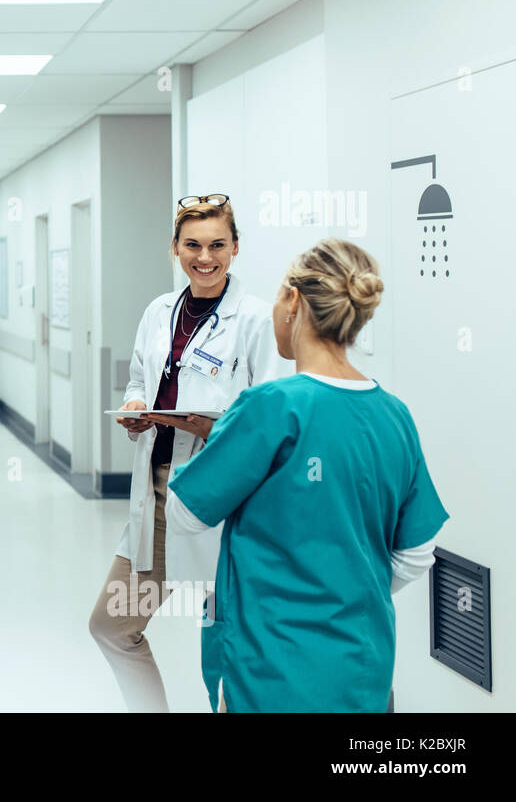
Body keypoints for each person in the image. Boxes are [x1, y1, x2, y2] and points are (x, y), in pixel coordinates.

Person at [164, 238, 448, 712]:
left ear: (293, 301)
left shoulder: (271, 407)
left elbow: (186, 513)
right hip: (362, 670)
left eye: (278, 294)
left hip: (268, 669)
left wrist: (221, 442)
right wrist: (344, 589)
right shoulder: (394, 415)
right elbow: (417, 554)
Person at [89, 194, 291, 712]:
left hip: (224, 502)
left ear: (236, 247)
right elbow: (141, 376)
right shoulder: (160, 311)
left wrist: (213, 429)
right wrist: (137, 404)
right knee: (112, 625)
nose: (206, 257)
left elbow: (273, 415)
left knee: (232, 641)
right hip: (158, 495)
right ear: (175, 248)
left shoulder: (256, 320)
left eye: (218, 244)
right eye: (193, 245)